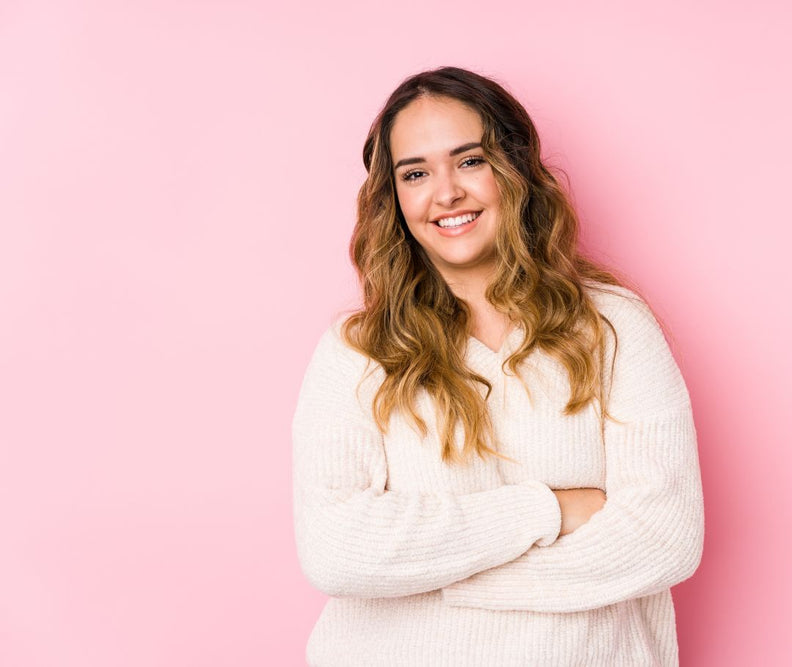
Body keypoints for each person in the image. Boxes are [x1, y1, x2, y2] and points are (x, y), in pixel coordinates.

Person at [292, 66, 704, 666]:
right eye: (415, 173)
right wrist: (549, 509)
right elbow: (334, 550)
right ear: (394, 198)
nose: (446, 193)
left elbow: (664, 537)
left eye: (470, 161)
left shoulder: (614, 327)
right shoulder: (356, 352)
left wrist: (447, 582)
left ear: (514, 171)